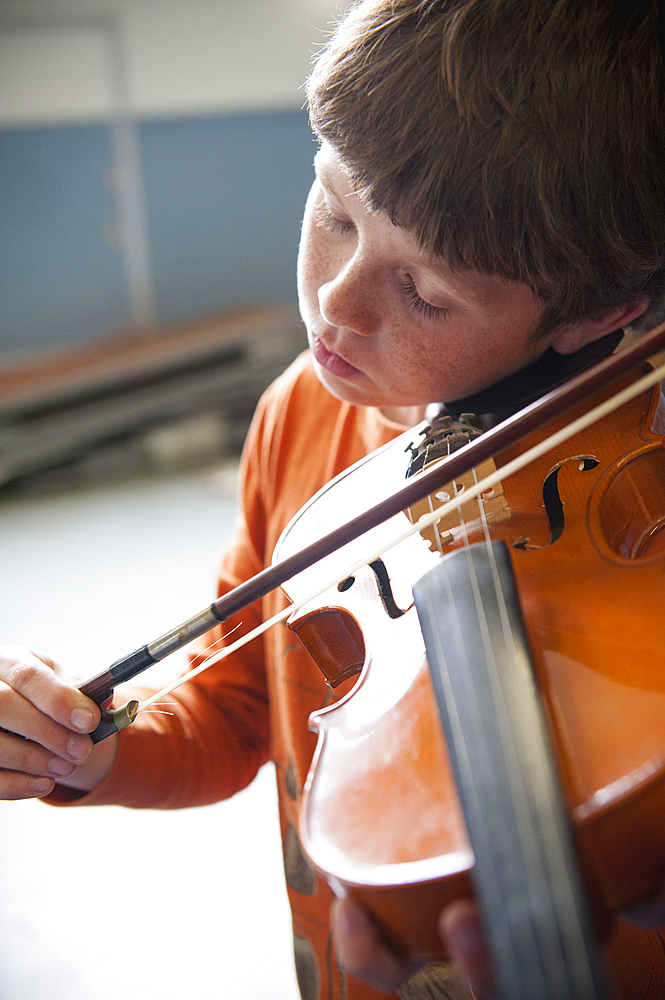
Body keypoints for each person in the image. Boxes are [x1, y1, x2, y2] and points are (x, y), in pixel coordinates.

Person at [1, 1, 665, 997]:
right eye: (334, 211)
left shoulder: (636, 477)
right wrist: (95, 753)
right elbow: (236, 707)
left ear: (600, 314)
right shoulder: (297, 418)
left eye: (427, 294)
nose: (336, 306)